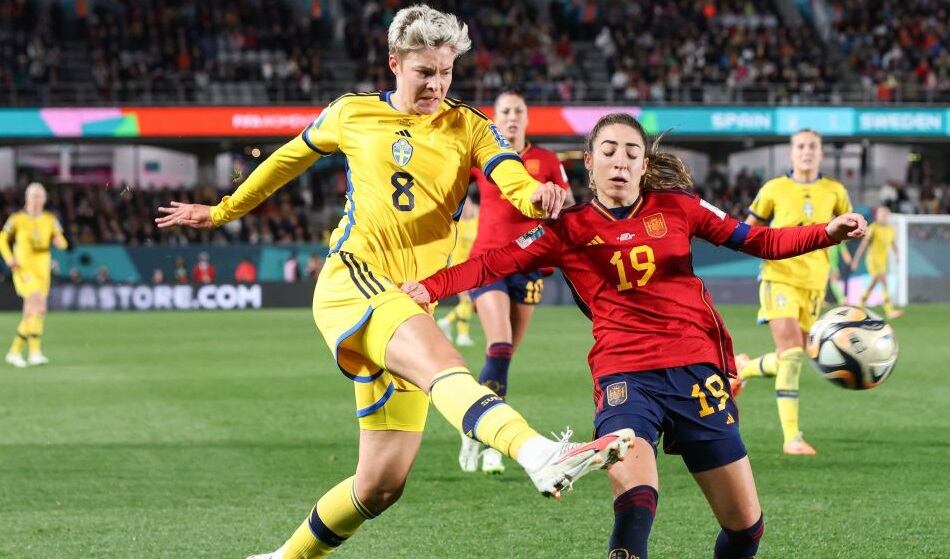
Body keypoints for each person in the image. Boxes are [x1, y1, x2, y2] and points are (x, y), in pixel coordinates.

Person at [154, 6, 633, 559]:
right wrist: (222, 211)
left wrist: (536, 197)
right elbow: (286, 159)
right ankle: (536, 452)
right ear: (394, 63)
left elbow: (509, 176)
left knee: (380, 484)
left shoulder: (470, 125)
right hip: (354, 278)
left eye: (445, 72)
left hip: (409, 298)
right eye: (423, 71)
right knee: (443, 366)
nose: (435, 84)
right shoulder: (352, 113)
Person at [402, 113, 867, 559]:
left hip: (696, 375)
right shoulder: (568, 230)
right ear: (589, 161)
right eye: (608, 151)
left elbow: (757, 240)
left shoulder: (679, 207)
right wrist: (429, 287)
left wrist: (826, 232)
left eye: (630, 152)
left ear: (645, 165)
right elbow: (490, 263)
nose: (619, 161)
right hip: (625, 378)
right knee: (635, 507)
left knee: (746, 531)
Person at [459, 88, 574, 476]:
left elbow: (568, 205)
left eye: (518, 111)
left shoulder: (545, 159)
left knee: (504, 357)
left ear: (527, 118)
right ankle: (493, 440)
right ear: (495, 117)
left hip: (531, 266)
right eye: (505, 111)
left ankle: (477, 425)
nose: (511, 117)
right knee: (501, 344)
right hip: (488, 262)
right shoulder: (483, 156)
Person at [734, 129, 853, 456]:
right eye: (800, 146)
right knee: (791, 354)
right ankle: (792, 438)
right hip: (780, 276)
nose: (806, 152)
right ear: (791, 153)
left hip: (814, 284)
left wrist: (856, 229)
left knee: (793, 357)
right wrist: (768, 249)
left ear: (821, 153)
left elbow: (847, 227)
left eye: (812, 146)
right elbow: (748, 229)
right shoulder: (774, 189)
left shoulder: (835, 191)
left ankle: (741, 368)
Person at [1, 182, 68, 368]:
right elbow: (2, 239)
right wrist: (8, 258)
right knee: (35, 304)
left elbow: (62, 240)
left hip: (42, 268)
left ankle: (26, 352)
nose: (37, 199)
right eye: (34, 195)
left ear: (45, 199)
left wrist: (60, 242)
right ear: (27, 198)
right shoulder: (16, 219)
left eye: (40, 195)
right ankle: (23, 352)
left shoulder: (50, 219)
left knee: (36, 310)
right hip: (24, 268)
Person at [436, 191, 479, 348]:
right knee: (467, 300)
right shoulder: (456, 224)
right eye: (465, 205)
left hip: (472, 268)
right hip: (458, 267)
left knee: (469, 302)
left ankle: (447, 322)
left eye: (469, 205)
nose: (467, 208)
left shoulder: (477, 223)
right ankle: (461, 334)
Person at [851, 206, 903, 318]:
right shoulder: (873, 228)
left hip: (883, 261)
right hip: (873, 260)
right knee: (882, 281)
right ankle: (889, 310)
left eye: (885, 215)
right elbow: (863, 245)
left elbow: (892, 243)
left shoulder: (890, 229)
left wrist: (897, 254)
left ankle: (860, 304)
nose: (884, 217)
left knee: (875, 282)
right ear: (877, 216)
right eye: (881, 215)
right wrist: (856, 260)